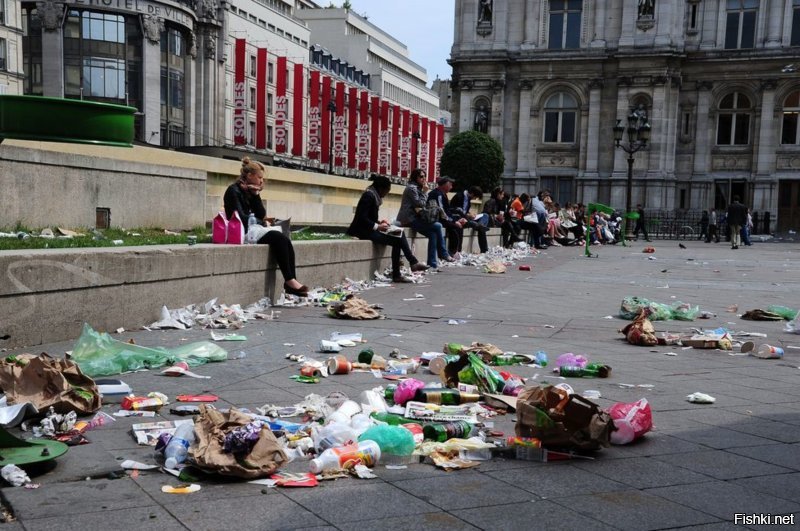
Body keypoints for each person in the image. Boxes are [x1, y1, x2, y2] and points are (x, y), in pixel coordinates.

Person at [224, 157, 308, 297]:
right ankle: (290, 281)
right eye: (260, 177)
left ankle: (291, 281)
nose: (262, 181)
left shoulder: (250, 191)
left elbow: (261, 214)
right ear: (249, 175)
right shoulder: (233, 191)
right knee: (278, 238)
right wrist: (262, 222)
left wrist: (256, 195)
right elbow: (241, 218)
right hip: (241, 231)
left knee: (285, 239)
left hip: (253, 229)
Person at [347, 175, 429, 283]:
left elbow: (369, 217)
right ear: (381, 189)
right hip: (362, 231)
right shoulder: (369, 196)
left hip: (370, 228)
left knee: (399, 233)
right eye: (387, 191)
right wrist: (377, 226)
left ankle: (408, 266)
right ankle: (407, 267)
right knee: (397, 240)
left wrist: (379, 222)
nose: (386, 194)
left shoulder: (373, 196)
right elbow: (361, 218)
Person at [397, 168, 453, 269]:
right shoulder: (411, 188)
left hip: (416, 218)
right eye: (421, 177)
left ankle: (432, 264)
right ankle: (443, 254)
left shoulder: (418, 188)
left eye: (424, 176)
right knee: (438, 226)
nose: (424, 179)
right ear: (415, 177)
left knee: (433, 235)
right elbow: (420, 203)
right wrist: (425, 192)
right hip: (409, 219)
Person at [427, 177, 467, 258]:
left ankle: (455, 251)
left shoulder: (443, 194)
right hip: (437, 219)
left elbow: (447, 211)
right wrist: (454, 222)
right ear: (445, 185)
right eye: (450, 185)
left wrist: (456, 219)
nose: (451, 187)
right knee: (455, 227)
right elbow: (442, 213)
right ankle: (452, 252)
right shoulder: (437, 194)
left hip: (443, 218)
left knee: (460, 225)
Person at [450, 186, 489, 254]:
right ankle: (484, 249)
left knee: (485, 215)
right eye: (475, 197)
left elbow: (465, 211)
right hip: (460, 219)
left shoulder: (468, 198)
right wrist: (467, 215)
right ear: (472, 194)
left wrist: (470, 215)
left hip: (467, 218)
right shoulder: (459, 196)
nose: (474, 199)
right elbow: (456, 211)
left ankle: (480, 225)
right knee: (481, 228)